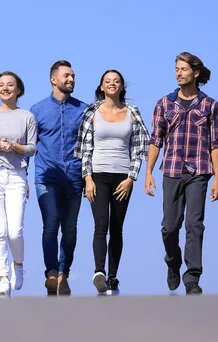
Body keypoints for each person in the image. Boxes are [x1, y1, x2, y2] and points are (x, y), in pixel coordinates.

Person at [144, 52, 218, 295]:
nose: (178, 73)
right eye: (176, 69)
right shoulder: (164, 104)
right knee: (169, 226)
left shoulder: (210, 105)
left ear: (195, 73)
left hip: (199, 171)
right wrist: (148, 172)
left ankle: (192, 278)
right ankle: (173, 262)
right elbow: (156, 140)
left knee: (194, 224)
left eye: (183, 69)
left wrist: (217, 179)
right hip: (171, 170)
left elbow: (215, 144)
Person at [74, 70, 150, 294]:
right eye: (108, 81)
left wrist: (131, 178)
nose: (112, 84)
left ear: (122, 86)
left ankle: (113, 277)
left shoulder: (132, 112)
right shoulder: (92, 112)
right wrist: (87, 178)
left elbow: (141, 146)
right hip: (97, 175)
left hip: (122, 176)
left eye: (116, 81)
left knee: (117, 227)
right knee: (101, 224)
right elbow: (83, 148)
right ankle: (100, 272)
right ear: (101, 86)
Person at [28, 60, 88, 296]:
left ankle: (64, 273)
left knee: (70, 228)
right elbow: (29, 147)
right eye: (66, 76)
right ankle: (51, 272)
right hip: (47, 177)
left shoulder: (84, 109)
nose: (71, 79)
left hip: (74, 177)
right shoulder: (37, 111)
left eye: (73, 76)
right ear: (54, 80)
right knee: (51, 222)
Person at [0, 71, 37, 298]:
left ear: (18, 90)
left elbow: (32, 148)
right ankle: (2, 278)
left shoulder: (27, 116)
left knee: (15, 231)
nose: (5, 88)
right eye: (1, 85)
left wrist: (15, 146)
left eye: (10, 85)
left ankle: (18, 265)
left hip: (16, 175)